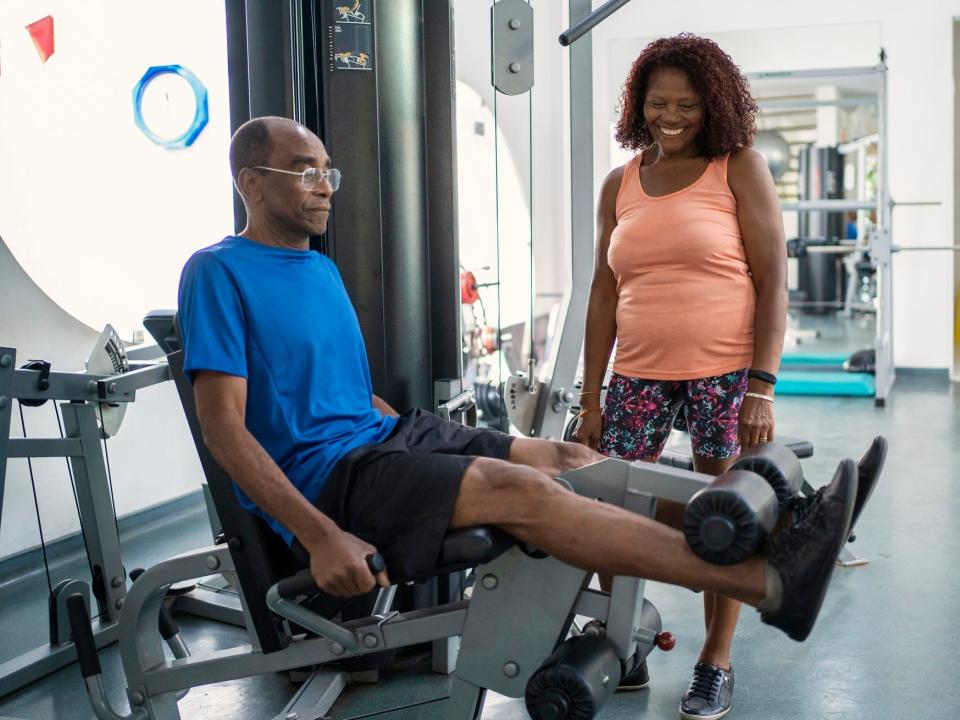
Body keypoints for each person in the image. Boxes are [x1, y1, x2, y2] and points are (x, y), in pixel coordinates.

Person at [176, 116, 857, 682]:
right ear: (250, 182)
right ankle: (768, 583)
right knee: (522, 492)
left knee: (566, 457)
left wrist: (409, 431)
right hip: (333, 480)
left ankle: (786, 527)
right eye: (306, 170)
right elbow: (224, 429)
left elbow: (334, 390)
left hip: (384, 439)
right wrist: (320, 535)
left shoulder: (318, 267)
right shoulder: (216, 270)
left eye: (329, 169)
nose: (326, 185)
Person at [571, 34, 786, 720]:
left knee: (724, 518)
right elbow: (604, 294)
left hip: (724, 371)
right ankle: (628, 642)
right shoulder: (621, 182)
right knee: (612, 506)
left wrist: (762, 384)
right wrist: (590, 396)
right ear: (638, 105)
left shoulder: (738, 168)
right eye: (658, 102)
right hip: (637, 370)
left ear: (712, 103)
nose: (672, 115)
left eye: (687, 104)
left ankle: (714, 662)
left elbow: (773, 279)